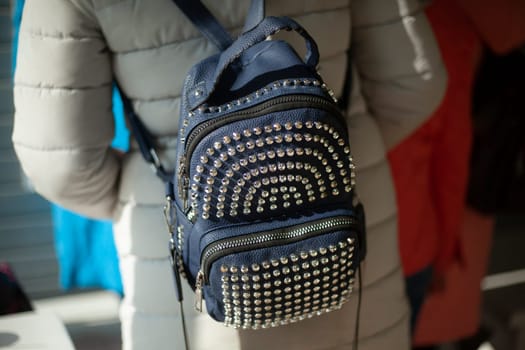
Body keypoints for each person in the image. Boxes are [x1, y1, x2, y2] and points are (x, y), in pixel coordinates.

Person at [12, 1, 446, 349]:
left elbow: (60, 161)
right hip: (337, 235)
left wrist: (161, 193)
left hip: (186, 268)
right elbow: (415, 82)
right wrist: (316, 157)